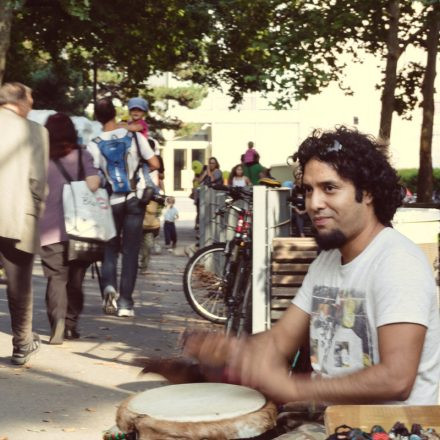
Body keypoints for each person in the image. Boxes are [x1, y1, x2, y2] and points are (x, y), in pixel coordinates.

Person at [185, 126, 440, 411]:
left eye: (329, 188)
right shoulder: (327, 261)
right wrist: (231, 350)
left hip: (386, 428)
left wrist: (294, 388)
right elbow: (280, 342)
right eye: (308, 190)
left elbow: (396, 379)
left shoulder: (396, 262)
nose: (314, 204)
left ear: (367, 193)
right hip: (325, 419)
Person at [87, 98, 159, 317]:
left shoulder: (94, 143)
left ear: (97, 117)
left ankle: (109, 288)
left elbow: (94, 177)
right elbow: (155, 163)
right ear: (115, 114)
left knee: (109, 248)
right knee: (130, 252)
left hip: (110, 201)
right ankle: (126, 303)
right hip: (134, 199)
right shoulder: (135, 137)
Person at [39, 113, 100, 344]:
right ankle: (71, 324)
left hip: (48, 228)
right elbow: (94, 184)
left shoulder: (40, 158)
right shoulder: (82, 155)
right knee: (75, 280)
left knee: (56, 278)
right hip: (79, 229)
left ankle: (57, 322)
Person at [0, 82, 49, 365]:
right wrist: (38, 211)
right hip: (18, 216)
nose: (32, 103)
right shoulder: (35, 132)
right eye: (31, 97)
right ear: (20, 101)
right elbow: (37, 181)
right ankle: (21, 344)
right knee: (20, 285)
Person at [139, 200, 161, 275]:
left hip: (148, 226)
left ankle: (144, 266)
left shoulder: (154, 196)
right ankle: (141, 264)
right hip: (137, 224)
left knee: (148, 246)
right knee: (143, 247)